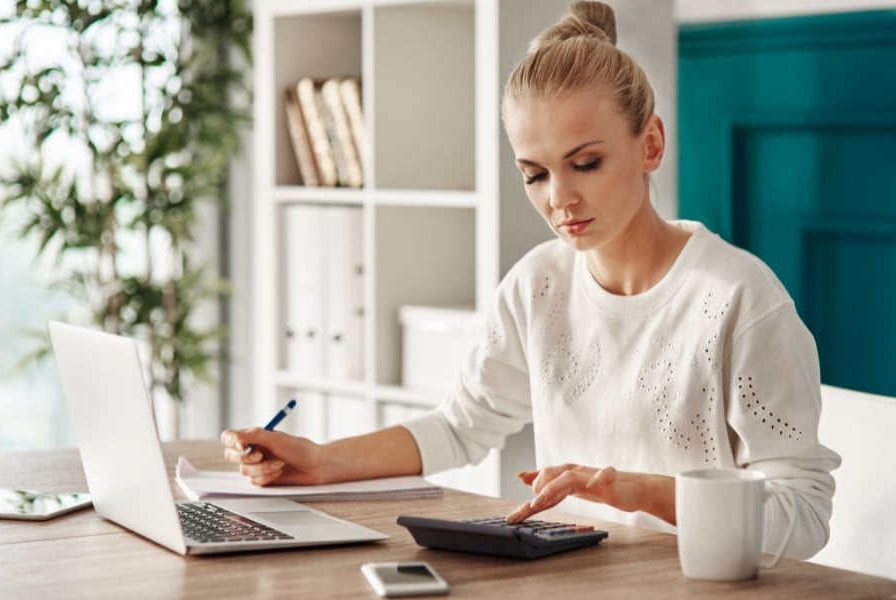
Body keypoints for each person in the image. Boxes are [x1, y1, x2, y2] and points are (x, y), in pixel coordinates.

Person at [222, 1, 840, 559]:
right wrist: (321, 461)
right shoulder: (537, 285)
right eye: (534, 174)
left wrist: (639, 492)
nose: (560, 199)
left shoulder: (738, 300)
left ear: (650, 142)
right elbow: (463, 424)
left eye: (586, 163)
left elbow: (803, 518)